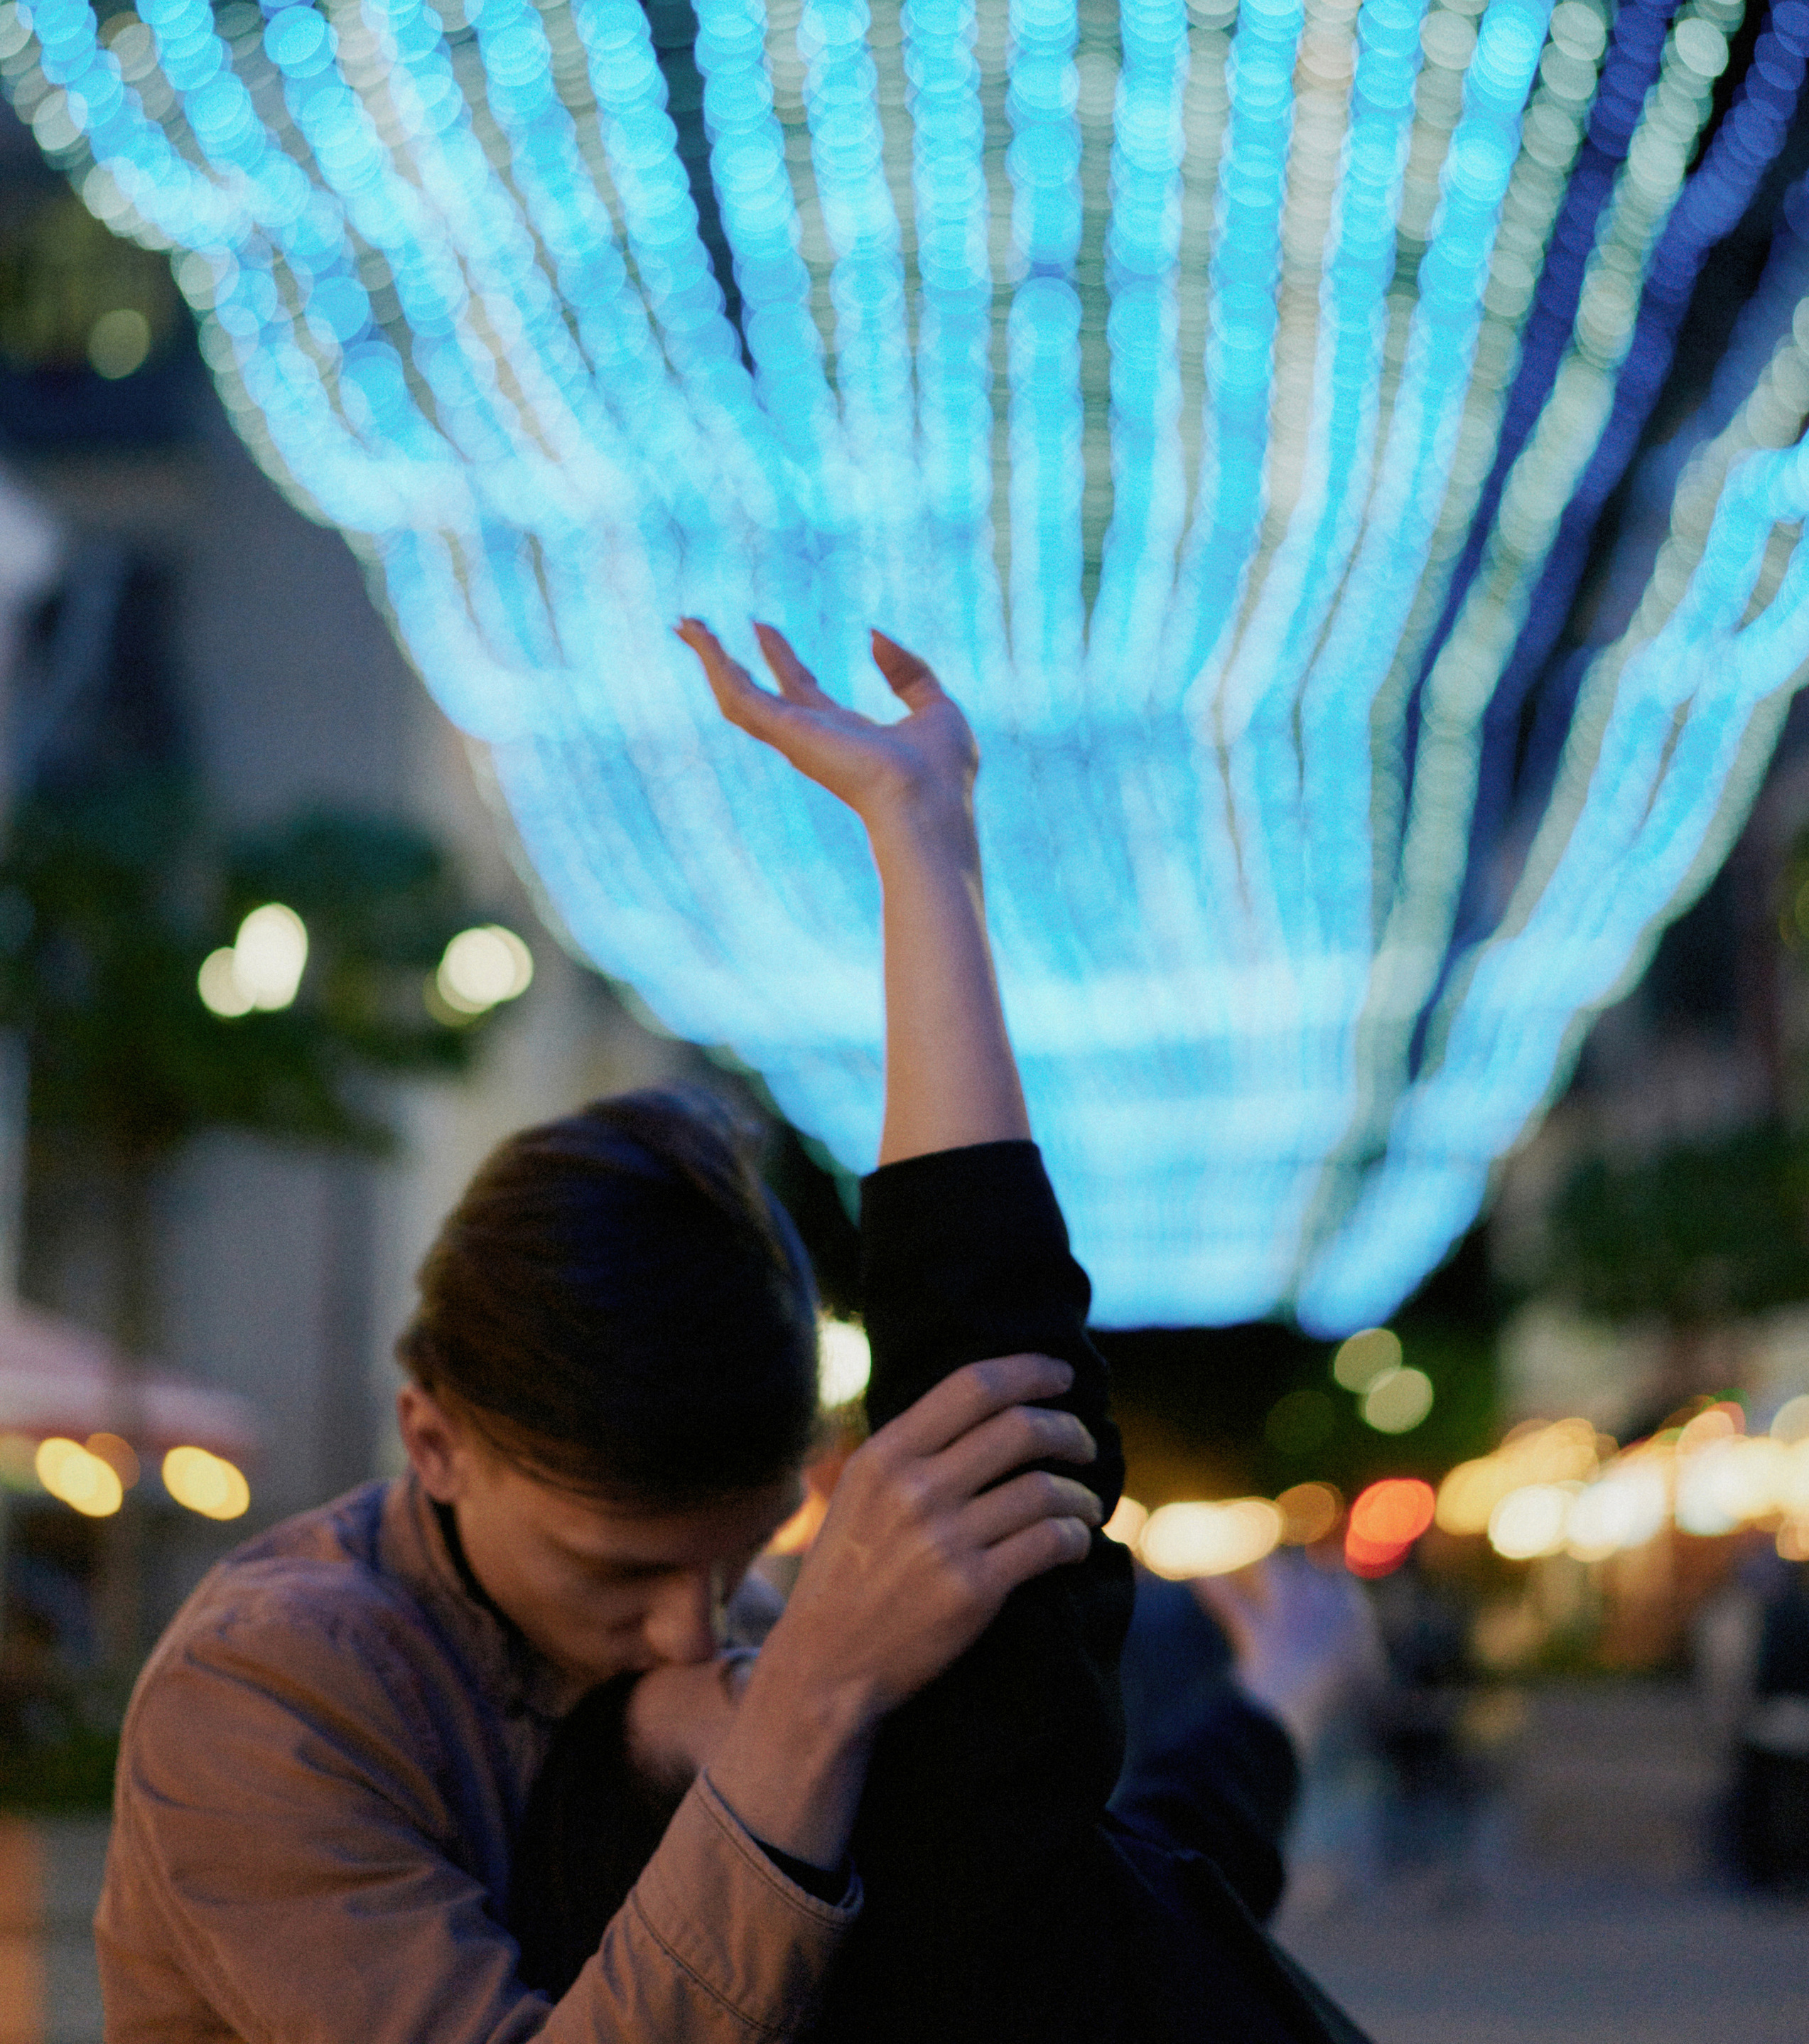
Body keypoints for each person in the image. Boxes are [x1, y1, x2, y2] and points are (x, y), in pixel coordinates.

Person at [97, 620, 1370, 2043]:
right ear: (434, 1442)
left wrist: (1277, 1702)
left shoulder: (719, 1639)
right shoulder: (278, 1692)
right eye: (621, 1567)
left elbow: (1020, 1851)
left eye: (737, 1559)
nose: (691, 1629)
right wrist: (808, 1696)